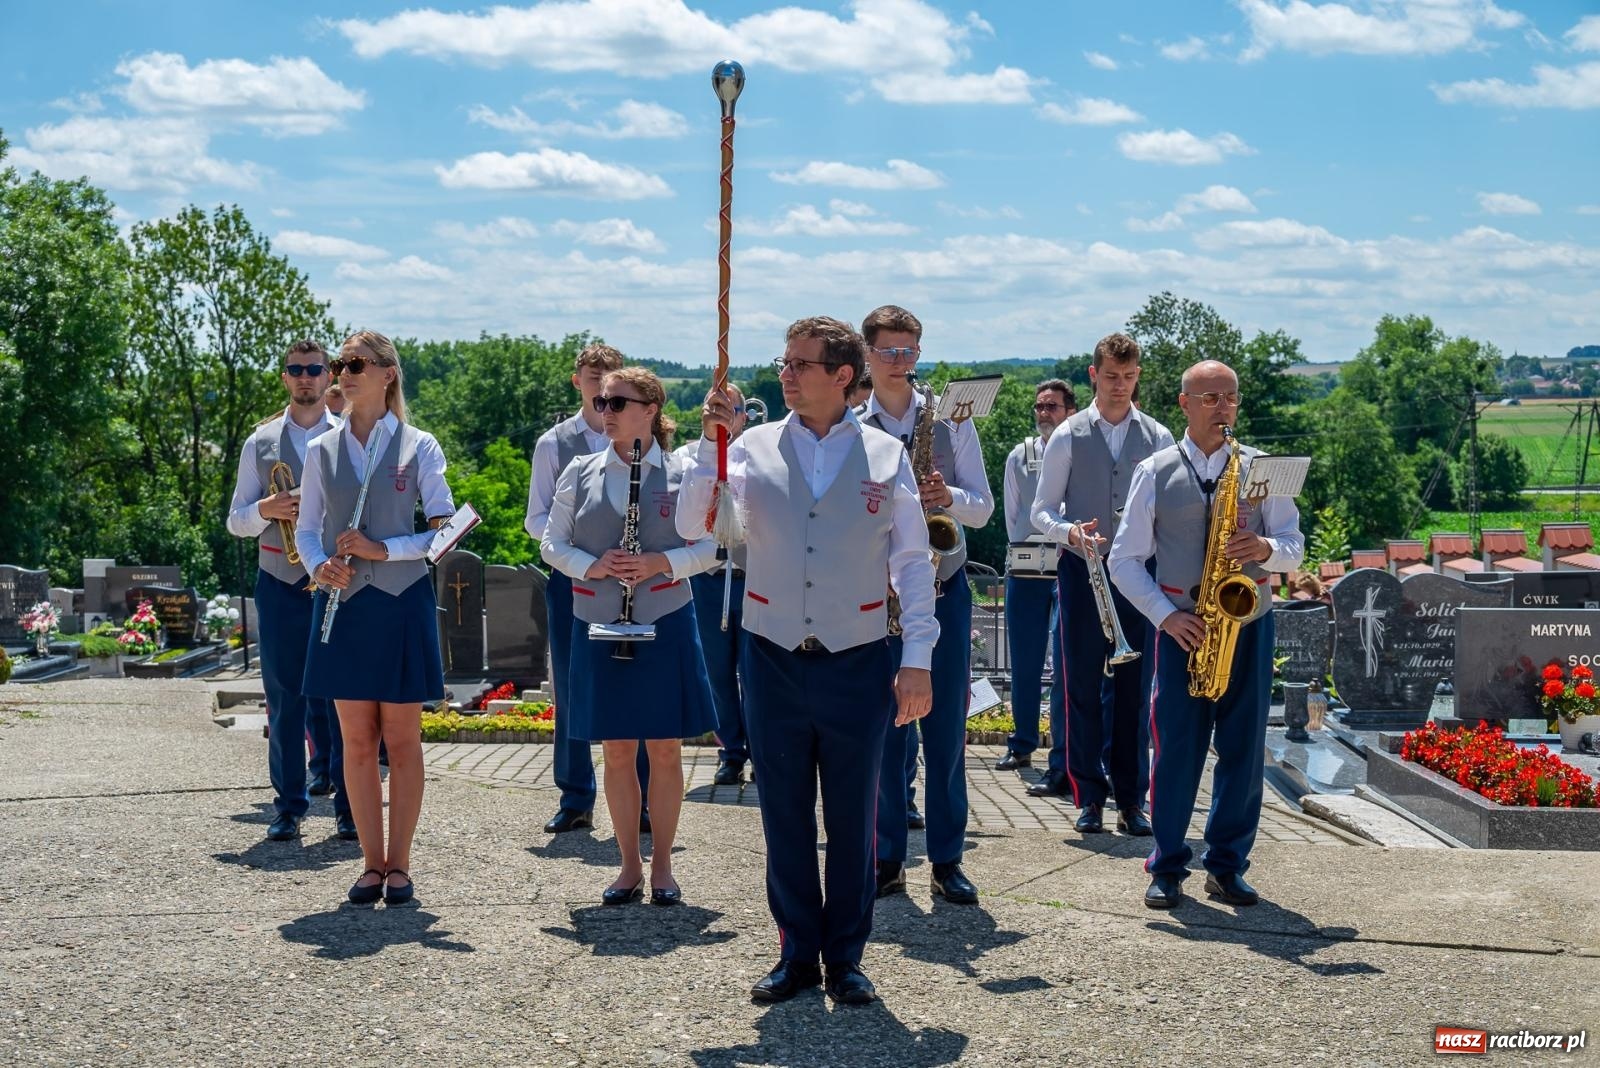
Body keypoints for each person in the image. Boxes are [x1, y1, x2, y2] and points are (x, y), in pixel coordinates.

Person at [679, 316, 935, 1006]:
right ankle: (796, 952)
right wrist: (710, 447)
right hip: (772, 654)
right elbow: (691, 526)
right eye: (785, 361)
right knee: (784, 815)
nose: (786, 373)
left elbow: (913, 561)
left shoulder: (886, 456)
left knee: (853, 819)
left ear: (842, 376)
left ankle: (847, 956)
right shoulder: (750, 446)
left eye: (801, 364)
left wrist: (918, 657)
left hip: (858, 659)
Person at [1108, 359, 1304, 909]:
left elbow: (1294, 545)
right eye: (1211, 397)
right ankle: (1167, 864)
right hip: (1183, 627)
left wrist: (1265, 550)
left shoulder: (1263, 468)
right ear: (1184, 404)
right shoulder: (1155, 470)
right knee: (1175, 750)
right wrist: (1165, 616)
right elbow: (1123, 560)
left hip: (1248, 621)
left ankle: (1227, 865)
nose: (1223, 407)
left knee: (1243, 750)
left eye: (1231, 397)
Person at [543, 367, 717, 905]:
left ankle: (662, 863)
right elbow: (552, 544)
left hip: (664, 617)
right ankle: (627, 866)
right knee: (617, 750)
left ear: (651, 408)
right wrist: (594, 566)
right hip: (599, 620)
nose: (606, 410)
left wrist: (660, 561)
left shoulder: (685, 469)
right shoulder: (580, 469)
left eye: (618, 401)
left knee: (664, 749)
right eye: (601, 401)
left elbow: (713, 547)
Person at [297, 330, 456, 907]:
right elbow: (308, 528)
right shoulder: (321, 448)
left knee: (402, 740)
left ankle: (401, 865)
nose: (344, 371)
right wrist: (318, 567)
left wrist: (383, 550)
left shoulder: (421, 446)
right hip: (343, 606)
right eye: (341, 363)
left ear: (388, 373)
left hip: (400, 601)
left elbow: (445, 528)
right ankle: (370, 864)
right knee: (355, 743)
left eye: (357, 363)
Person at [856, 304, 993, 906]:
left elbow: (984, 508)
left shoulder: (952, 424)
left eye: (910, 351)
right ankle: (886, 858)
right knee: (883, 735)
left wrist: (949, 494)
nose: (901, 363)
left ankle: (946, 859)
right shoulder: (853, 426)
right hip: (872, 592)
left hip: (944, 586)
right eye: (889, 352)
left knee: (944, 734)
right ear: (866, 356)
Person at [1030, 334, 1172, 836]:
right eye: (1111, 376)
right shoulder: (1067, 434)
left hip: (1137, 573)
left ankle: (1132, 800)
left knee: (1136, 690)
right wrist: (1068, 532)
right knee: (1082, 685)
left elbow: (1170, 514)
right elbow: (1040, 508)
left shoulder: (1158, 436)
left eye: (1130, 378)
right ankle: (1088, 795)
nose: (1120, 387)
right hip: (1079, 568)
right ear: (1094, 374)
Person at [226, 339, 353, 843]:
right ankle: (288, 805)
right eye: (296, 370)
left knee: (345, 699)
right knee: (282, 699)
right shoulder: (260, 442)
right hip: (279, 580)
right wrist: (266, 510)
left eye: (315, 370)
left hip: (338, 583)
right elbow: (236, 521)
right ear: (284, 377)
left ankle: (349, 806)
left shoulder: (349, 436)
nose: (305, 378)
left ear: (329, 378)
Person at [524, 344, 650, 834]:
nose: (601, 383)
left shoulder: (645, 435)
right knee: (573, 687)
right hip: (574, 577)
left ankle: (640, 802)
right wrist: (585, 553)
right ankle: (576, 796)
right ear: (577, 380)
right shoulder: (554, 444)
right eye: (592, 374)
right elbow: (536, 522)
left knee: (637, 689)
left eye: (610, 376)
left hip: (637, 579)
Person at [673, 383, 753, 787]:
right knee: (718, 672)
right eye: (715, 407)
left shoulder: (759, 453)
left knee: (756, 672)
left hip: (754, 577)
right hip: (708, 579)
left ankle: (762, 748)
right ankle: (731, 751)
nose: (724, 415)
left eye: (731, 408)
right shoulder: (688, 457)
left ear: (743, 414)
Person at [995, 380, 1075, 773]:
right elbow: (1013, 514)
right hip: (1028, 567)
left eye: (1053, 407)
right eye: (1040, 407)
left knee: (1066, 664)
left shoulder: (1082, 450)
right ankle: (1023, 742)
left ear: (1070, 411)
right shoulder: (1018, 456)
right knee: (1024, 662)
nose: (1045, 413)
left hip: (1069, 566)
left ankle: (1065, 751)